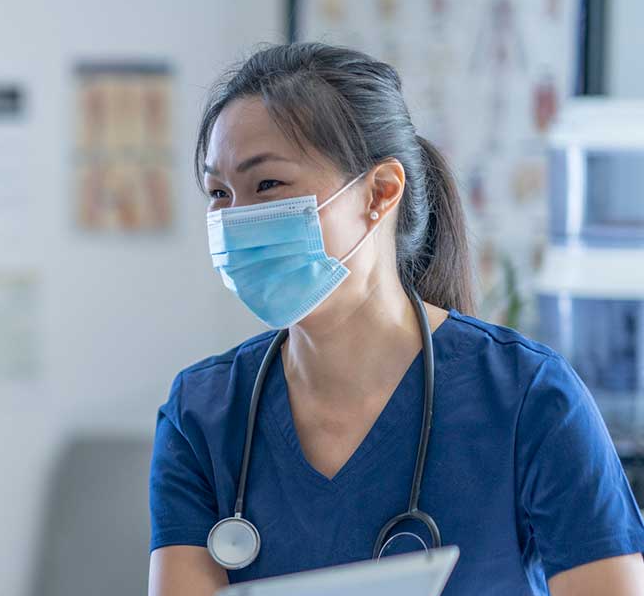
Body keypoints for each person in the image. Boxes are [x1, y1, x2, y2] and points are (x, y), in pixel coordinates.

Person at [148, 43, 644, 595]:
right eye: (219, 193)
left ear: (380, 192)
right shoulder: (203, 413)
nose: (235, 220)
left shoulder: (528, 397)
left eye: (268, 185)